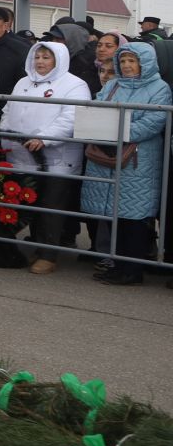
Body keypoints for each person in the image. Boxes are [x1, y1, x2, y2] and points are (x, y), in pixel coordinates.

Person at [78, 43, 172, 284]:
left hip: (138, 161)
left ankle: (132, 270)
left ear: (145, 62)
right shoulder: (113, 84)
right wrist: (108, 129)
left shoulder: (159, 88)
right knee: (115, 217)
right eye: (123, 61)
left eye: (132, 61)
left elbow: (154, 121)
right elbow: (97, 108)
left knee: (135, 219)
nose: (127, 66)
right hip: (109, 156)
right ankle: (117, 264)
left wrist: (113, 131)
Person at [3, 40, 90, 275]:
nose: (40, 62)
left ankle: (49, 254)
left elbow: (71, 118)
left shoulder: (75, 85)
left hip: (57, 159)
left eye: (46, 57)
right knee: (32, 201)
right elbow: (8, 110)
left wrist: (44, 138)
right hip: (22, 155)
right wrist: (5, 136)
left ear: (58, 60)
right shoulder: (23, 82)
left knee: (51, 205)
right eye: (37, 57)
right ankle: (39, 245)